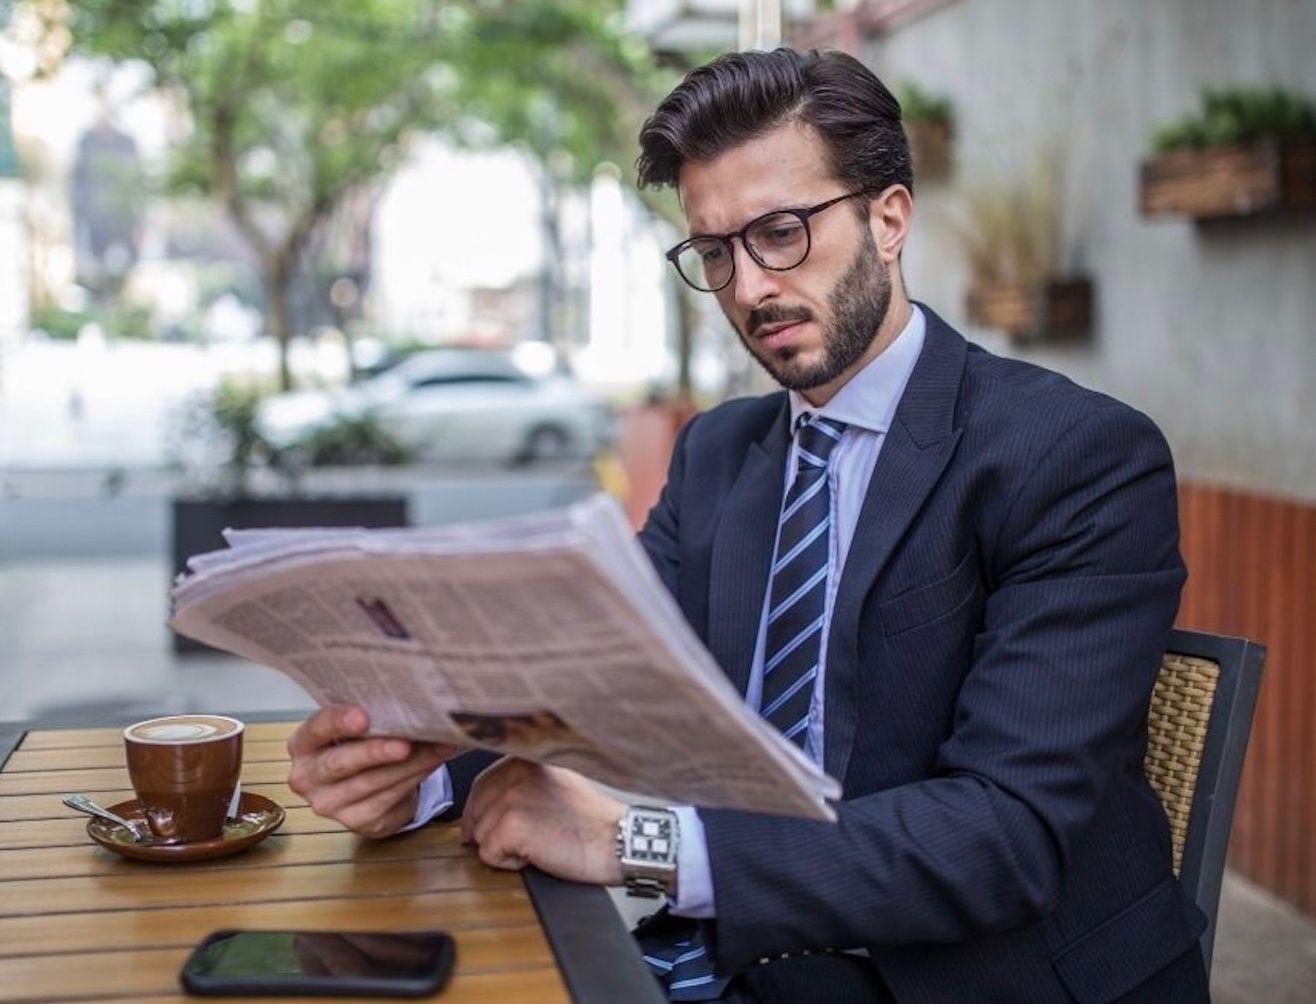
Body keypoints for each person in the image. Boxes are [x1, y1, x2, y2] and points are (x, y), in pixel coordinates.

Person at [286, 48, 1209, 1003]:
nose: (750, 286)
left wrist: (636, 844)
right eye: (717, 251)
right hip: (744, 953)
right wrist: (418, 771)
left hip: (975, 973)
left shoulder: (1075, 456)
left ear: (888, 220)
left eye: (781, 232)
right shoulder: (722, 452)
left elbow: (1003, 836)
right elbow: (591, 674)